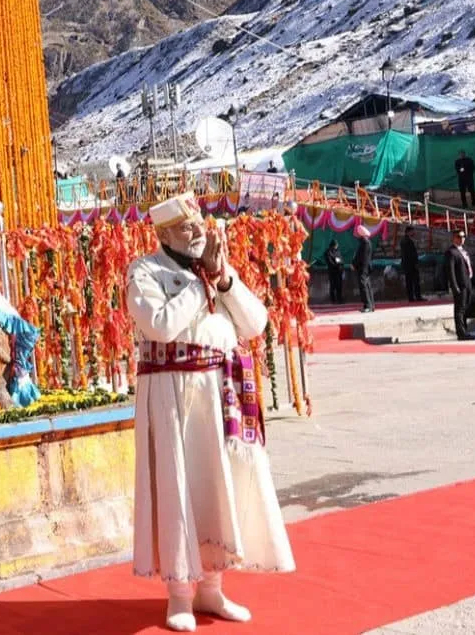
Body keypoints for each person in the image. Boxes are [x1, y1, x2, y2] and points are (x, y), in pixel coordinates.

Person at [127, 192, 295, 632]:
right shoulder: (144, 271)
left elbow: (256, 323)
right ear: (163, 234)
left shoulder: (214, 271)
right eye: (186, 227)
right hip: (172, 398)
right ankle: (179, 595)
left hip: (218, 395)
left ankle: (212, 590)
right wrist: (201, 284)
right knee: (179, 489)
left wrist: (222, 281)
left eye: (199, 222)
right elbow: (160, 325)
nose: (197, 231)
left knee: (219, 488)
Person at [445, 229, 475, 341]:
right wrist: (454, 286)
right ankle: (461, 333)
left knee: (465, 308)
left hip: (467, 283)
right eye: (459, 236)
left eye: (464, 236)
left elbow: (468, 267)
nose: (462, 239)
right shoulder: (451, 252)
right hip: (460, 284)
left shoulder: (463, 251)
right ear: (454, 238)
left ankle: (465, 331)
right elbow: (451, 271)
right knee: (460, 309)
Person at [352, 226, 374, 313]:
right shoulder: (368, 242)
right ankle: (371, 305)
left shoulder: (364, 243)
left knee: (364, 286)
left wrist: (354, 264)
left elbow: (360, 257)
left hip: (363, 267)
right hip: (366, 267)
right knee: (367, 286)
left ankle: (368, 305)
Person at [400, 227, 424, 302]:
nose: (414, 233)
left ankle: (411, 297)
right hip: (410, 264)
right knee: (414, 281)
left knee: (410, 281)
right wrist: (415, 263)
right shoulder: (407, 241)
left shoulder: (405, 240)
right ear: (408, 232)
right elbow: (410, 254)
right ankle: (416, 296)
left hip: (408, 264)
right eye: (412, 231)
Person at [324, 239, 345, 304]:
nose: (336, 246)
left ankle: (340, 299)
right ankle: (333, 300)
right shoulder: (328, 252)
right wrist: (336, 264)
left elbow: (341, 260)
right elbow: (330, 262)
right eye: (336, 245)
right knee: (333, 286)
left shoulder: (337, 251)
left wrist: (339, 264)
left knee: (339, 286)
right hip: (332, 271)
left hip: (339, 271)